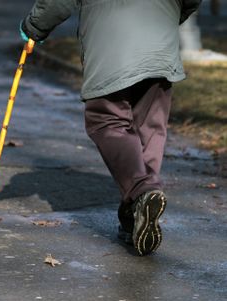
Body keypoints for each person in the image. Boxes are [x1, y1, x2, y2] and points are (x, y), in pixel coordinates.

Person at [20, 0, 201, 256]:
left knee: (107, 120)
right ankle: (133, 217)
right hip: (160, 46)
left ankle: (144, 191)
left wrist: (34, 27)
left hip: (112, 49)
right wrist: (168, 17)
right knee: (148, 129)